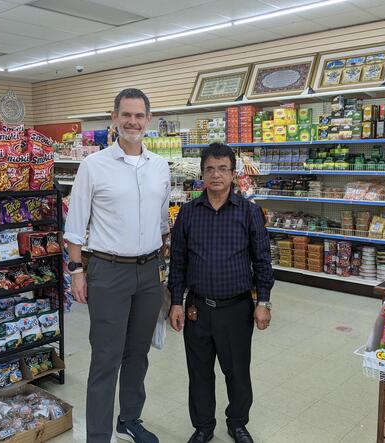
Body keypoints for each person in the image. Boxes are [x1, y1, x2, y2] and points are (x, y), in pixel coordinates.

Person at [65, 88, 170, 443]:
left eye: (139, 116)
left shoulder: (160, 167)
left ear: (148, 120)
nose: (132, 122)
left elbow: (162, 223)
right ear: (114, 118)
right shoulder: (93, 166)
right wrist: (77, 271)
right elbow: (76, 226)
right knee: (106, 357)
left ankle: (129, 419)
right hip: (108, 271)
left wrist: (164, 270)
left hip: (150, 271)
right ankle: (97, 435)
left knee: (138, 354)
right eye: (126, 115)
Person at [168, 143, 274, 443]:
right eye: (210, 169)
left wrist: (263, 302)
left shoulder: (250, 212)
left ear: (233, 173)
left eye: (223, 168)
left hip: (237, 308)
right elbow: (177, 261)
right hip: (197, 308)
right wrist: (176, 301)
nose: (216, 175)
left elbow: (262, 260)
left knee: (237, 371)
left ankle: (237, 422)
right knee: (199, 372)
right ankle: (203, 427)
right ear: (202, 173)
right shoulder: (188, 213)